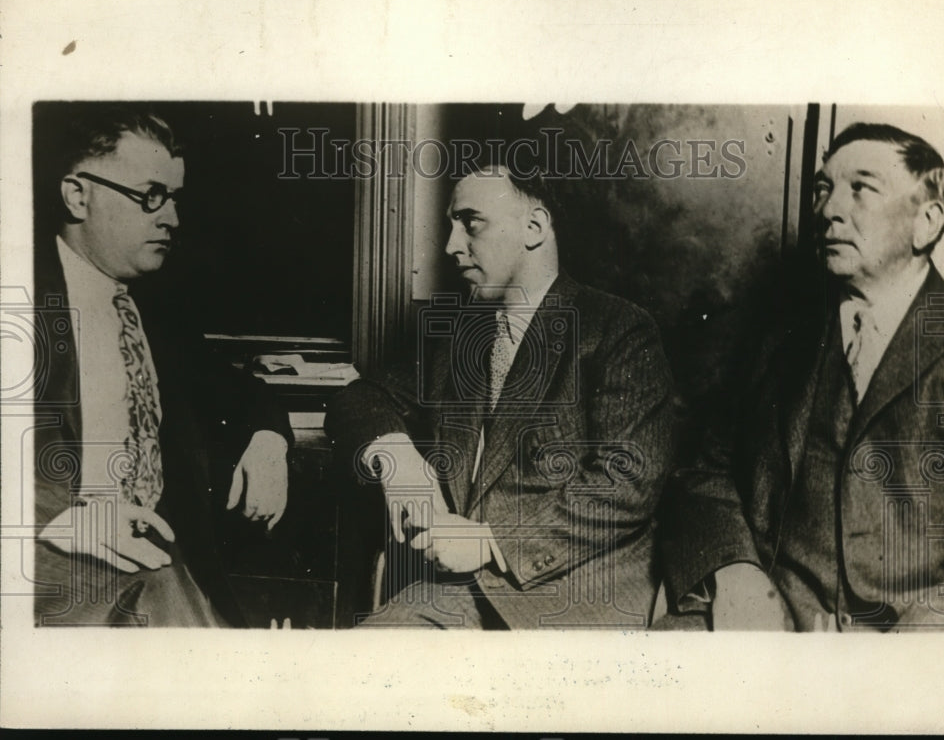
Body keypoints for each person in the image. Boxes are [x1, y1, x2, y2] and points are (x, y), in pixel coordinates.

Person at [325, 164, 678, 628]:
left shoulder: (617, 330)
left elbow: (625, 483)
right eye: (451, 225)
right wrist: (397, 459)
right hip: (452, 595)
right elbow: (361, 398)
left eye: (471, 223)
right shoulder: (459, 337)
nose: (451, 246)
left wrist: (490, 540)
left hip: (569, 595)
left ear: (534, 227)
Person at [662, 123, 944, 632]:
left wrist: (916, 645)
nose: (830, 210)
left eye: (861, 188)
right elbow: (708, 466)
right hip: (768, 613)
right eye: (823, 189)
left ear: (927, 222)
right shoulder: (781, 334)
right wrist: (736, 571)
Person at [33, 105, 293, 627]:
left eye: (173, 198)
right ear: (77, 195)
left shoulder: (153, 311)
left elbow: (240, 390)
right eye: (151, 195)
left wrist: (269, 441)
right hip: (43, 567)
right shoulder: (21, 299)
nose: (171, 217)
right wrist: (51, 520)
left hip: (152, 565)